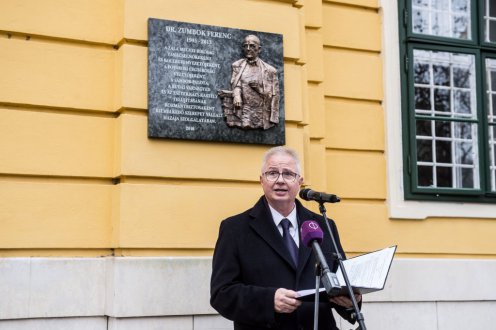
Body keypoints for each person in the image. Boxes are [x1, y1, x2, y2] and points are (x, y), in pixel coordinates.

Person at [210, 146, 361, 330]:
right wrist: (269, 300)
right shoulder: (235, 229)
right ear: (261, 180)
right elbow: (222, 294)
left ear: (299, 182)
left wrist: (351, 301)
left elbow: (340, 281)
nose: (280, 180)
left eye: (288, 174)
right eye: (272, 173)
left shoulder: (324, 225)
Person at [228, 34, 280, 130]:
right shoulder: (237, 65)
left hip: (262, 112)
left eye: (252, 46)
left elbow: (273, 96)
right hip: (245, 110)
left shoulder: (270, 71)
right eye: (245, 46)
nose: (248, 49)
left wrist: (259, 89)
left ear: (259, 49)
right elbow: (236, 84)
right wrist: (236, 96)